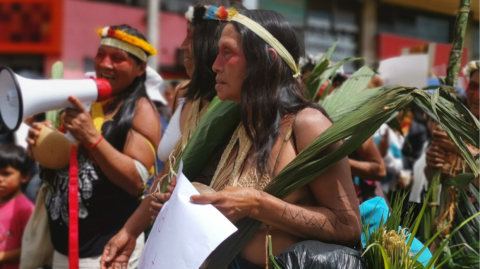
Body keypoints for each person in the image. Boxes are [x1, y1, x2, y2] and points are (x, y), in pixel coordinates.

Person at [157, 8, 362, 268]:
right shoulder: (237, 127)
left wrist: (257, 204)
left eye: (228, 53)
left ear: (267, 60)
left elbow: (348, 225)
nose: (215, 65)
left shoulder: (307, 125)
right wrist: (186, 203)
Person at [100, 2, 245, 268]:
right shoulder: (184, 93)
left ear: (211, 43)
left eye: (191, 36)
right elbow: (167, 173)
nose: (181, 46)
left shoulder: (236, 108)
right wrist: (130, 231)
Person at [26, 24, 161, 269]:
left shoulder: (142, 109)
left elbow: (136, 182)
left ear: (141, 68)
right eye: (101, 55)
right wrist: (41, 143)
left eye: (118, 59)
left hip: (108, 253)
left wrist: (92, 138)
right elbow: (62, 159)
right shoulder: (85, 98)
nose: (105, 64)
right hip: (61, 249)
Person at [0, 144, 34, 269]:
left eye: (6, 174)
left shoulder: (25, 209)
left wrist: (2, 256)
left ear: (24, 177)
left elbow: (31, 248)